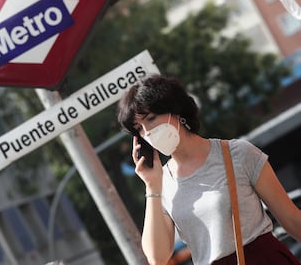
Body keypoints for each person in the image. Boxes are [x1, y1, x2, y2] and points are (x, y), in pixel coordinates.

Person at [117, 74, 301, 265]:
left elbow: (291, 219)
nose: (147, 132)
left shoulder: (237, 153)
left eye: (151, 118)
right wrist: (151, 187)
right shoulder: (161, 183)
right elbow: (157, 257)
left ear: (175, 110)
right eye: (139, 128)